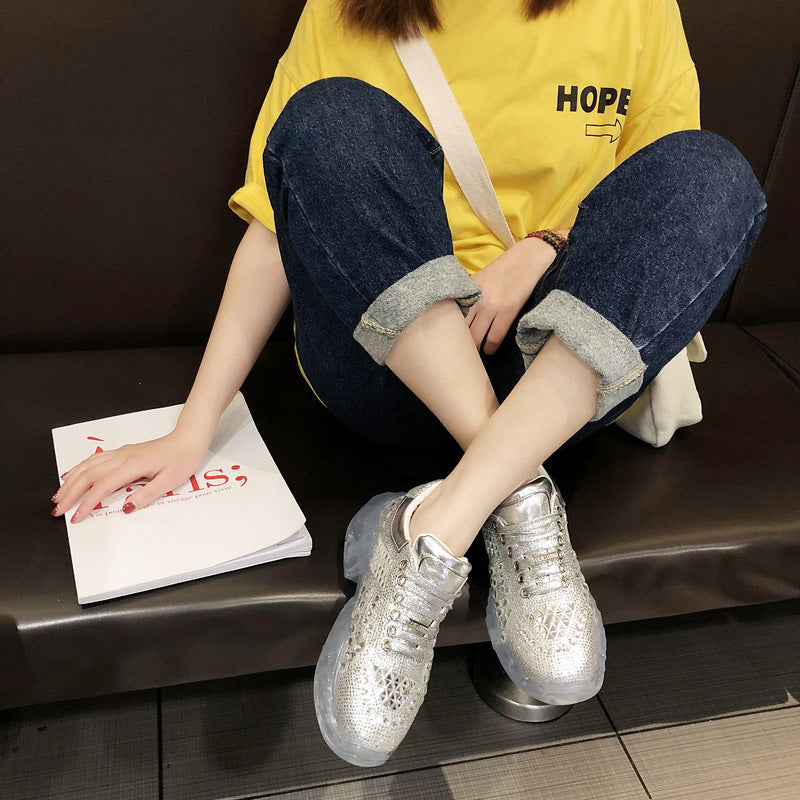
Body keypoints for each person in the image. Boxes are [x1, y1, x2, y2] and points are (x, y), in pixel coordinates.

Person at [52, 0, 766, 768]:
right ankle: (519, 495)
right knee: (327, 119)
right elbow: (278, 221)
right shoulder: (346, 9)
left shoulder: (635, 8)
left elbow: (654, 205)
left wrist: (546, 244)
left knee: (713, 174)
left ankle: (433, 528)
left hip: (556, 372)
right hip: (385, 364)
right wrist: (194, 426)